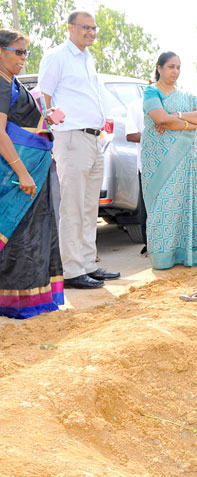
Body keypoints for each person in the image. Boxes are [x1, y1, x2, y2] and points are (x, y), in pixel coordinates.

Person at [38, 10, 120, 288]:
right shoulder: (57, 57)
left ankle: (87, 264)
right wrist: (50, 124)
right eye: (85, 27)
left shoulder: (88, 59)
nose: (91, 32)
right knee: (72, 206)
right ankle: (71, 271)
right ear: (70, 28)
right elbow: (43, 95)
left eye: (93, 28)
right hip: (70, 137)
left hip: (93, 139)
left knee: (88, 208)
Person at [0, 29, 64, 318]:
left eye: (26, 52)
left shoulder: (11, 83)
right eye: (18, 51)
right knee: (19, 233)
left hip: (32, 170)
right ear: (0, 51)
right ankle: (15, 301)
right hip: (18, 175)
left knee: (34, 232)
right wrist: (23, 172)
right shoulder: (1, 84)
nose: (24, 58)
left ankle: (28, 298)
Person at [141, 52, 197, 270]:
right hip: (157, 157)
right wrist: (185, 122)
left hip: (182, 158)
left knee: (181, 203)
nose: (175, 71)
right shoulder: (150, 91)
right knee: (161, 204)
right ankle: (163, 257)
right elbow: (160, 118)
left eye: (178, 67)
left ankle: (185, 253)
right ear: (159, 67)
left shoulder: (187, 95)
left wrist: (178, 116)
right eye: (171, 66)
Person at [125, 93, 147, 255]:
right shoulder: (137, 105)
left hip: (173, 165)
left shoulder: (175, 105)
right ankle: (151, 244)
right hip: (147, 166)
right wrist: (155, 136)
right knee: (148, 208)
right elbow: (131, 135)